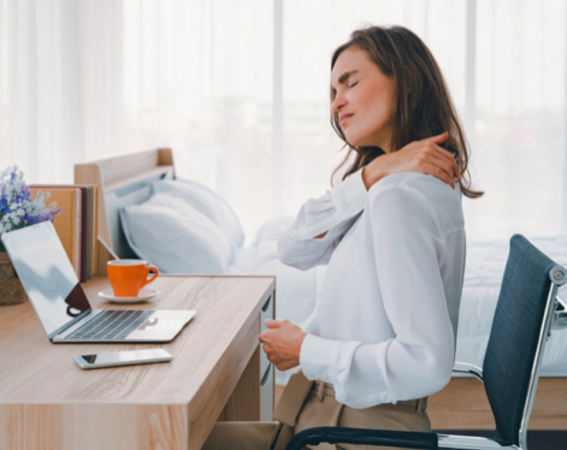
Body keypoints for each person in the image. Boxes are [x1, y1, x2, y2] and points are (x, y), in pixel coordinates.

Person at [202, 25, 483, 450]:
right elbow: (292, 248)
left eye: (350, 83)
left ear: (406, 80)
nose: (337, 103)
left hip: (355, 432)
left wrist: (307, 349)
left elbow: (427, 364)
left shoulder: (398, 198)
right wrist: (373, 173)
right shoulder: (386, 187)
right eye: (333, 91)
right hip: (327, 418)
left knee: (158, 437)